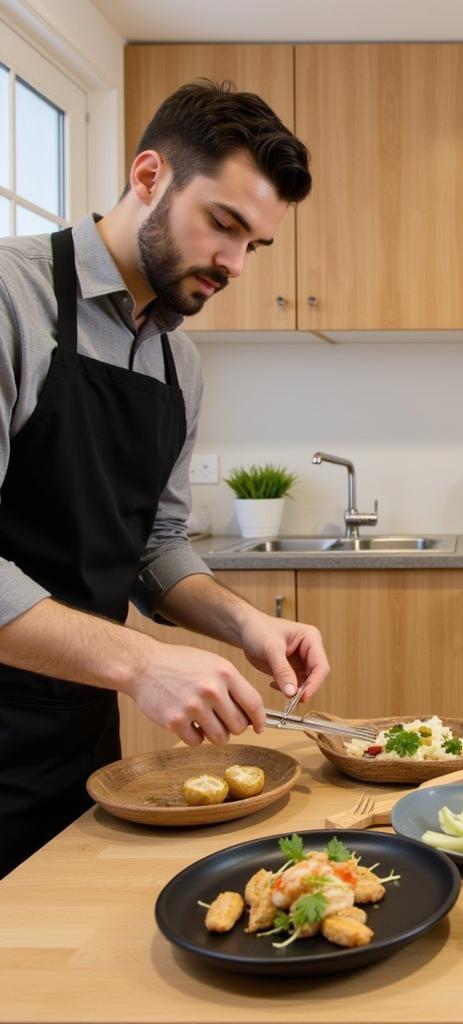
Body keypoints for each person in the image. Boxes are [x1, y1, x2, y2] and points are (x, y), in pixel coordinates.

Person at [0, 81, 327, 878]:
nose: (234, 264)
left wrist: (241, 624)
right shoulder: (14, 297)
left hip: (75, 726)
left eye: (256, 245)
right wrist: (142, 663)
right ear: (148, 177)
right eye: (224, 225)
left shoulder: (178, 359)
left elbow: (154, 542)